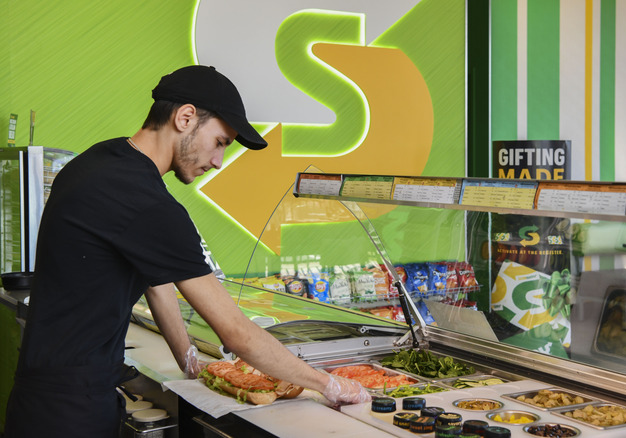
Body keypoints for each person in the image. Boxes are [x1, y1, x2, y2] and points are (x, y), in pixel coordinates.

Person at [5, 65, 370, 437]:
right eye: (220, 142)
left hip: (44, 392)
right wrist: (329, 384)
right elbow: (236, 334)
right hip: (70, 411)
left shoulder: (100, 161)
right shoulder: (147, 203)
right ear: (185, 117)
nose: (217, 162)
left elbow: (155, 280)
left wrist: (188, 359)